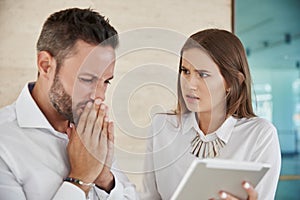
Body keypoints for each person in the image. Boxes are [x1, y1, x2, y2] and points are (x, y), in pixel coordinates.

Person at [0, 8, 138, 200]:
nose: (99, 97)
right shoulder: (4, 143)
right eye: (87, 79)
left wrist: (105, 180)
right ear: (46, 65)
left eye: (106, 82)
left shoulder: (90, 127)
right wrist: (80, 180)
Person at [141, 29, 281, 200]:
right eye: (185, 71)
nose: (190, 84)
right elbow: (148, 197)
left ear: (232, 81)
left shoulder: (260, 135)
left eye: (202, 74)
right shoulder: (161, 126)